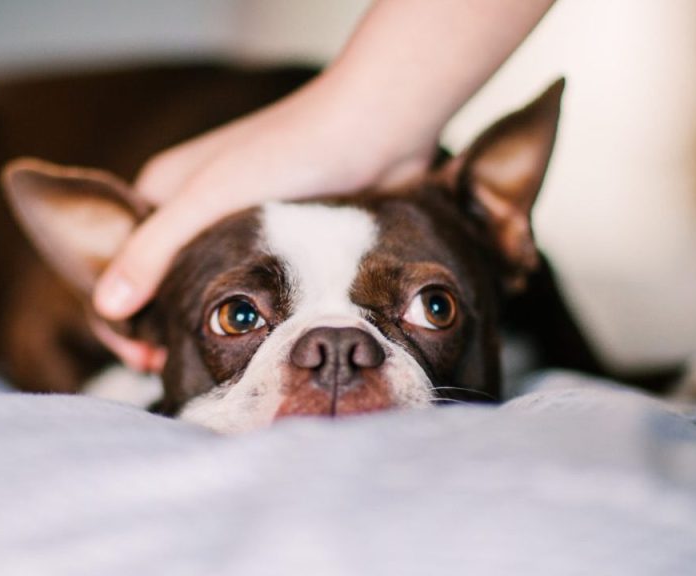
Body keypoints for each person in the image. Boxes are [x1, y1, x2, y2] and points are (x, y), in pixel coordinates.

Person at [94, 0, 555, 351]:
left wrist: (358, 118)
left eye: (434, 309)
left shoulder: (457, 228)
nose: (335, 357)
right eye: (239, 317)